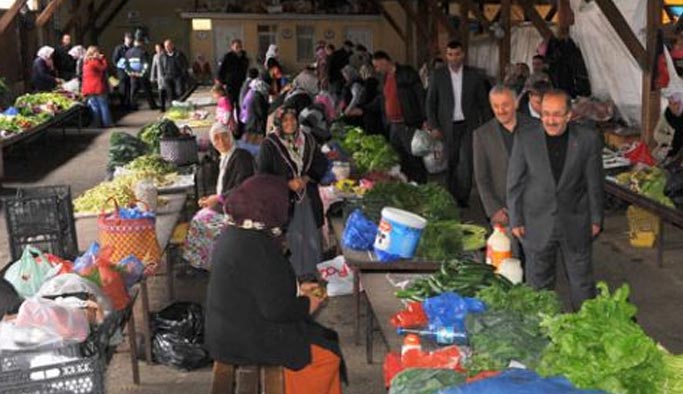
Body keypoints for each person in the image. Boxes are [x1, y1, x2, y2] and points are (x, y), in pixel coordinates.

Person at [205, 174, 342, 394]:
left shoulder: (237, 230)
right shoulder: (256, 245)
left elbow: (259, 284)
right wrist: (309, 303)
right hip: (244, 339)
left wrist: (297, 288)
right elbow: (277, 309)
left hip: (228, 330)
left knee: (322, 339)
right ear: (270, 205)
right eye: (283, 202)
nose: (286, 208)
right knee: (325, 356)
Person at [507, 89, 604, 310]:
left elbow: (594, 183)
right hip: (536, 221)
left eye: (557, 114)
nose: (550, 120)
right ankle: (541, 329)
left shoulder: (588, 140)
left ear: (569, 115)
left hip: (576, 220)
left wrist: (596, 219)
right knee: (538, 283)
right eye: (546, 114)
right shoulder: (525, 138)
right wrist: (516, 219)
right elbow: (515, 182)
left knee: (582, 283)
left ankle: (585, 327)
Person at [258, 106, 328, 277]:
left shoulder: (308, 140)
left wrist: (305, 178)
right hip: (284, 201)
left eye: (293, 119)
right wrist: (287, 184)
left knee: (311, 237)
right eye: (285, 120)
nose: (290, 123)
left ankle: (311, 274)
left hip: (308, 198)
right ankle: (291, 278)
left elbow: (321, 163)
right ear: (278, 123)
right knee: (291, 240)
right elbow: (263, 176)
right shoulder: (269, 145)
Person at [426, 40, 492, 207]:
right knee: (451, 162)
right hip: (446, 127)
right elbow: (430, 103)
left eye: (457, 54)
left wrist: (486, 127)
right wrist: (434, 126)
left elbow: (483, 103)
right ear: (446, 56)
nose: (453, 58)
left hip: (468, 125)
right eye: (450, 55)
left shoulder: (474, 76)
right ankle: (450, 197)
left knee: (467, 162)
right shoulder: (438, 75)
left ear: (463, 55)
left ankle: (463, 198)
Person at [473, 85, 535, 260]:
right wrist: (493, 210)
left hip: (534, 209)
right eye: (495, 106)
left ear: (516, 103)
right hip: (502, 210)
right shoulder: (482, 135)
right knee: (507, 261)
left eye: (505, 105)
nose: (501, 110)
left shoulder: (535, 128)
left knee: (536, 262)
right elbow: (481, 177)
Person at [183, 122, 254, 271]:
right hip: (229, 205)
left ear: (230, 136)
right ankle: (209, 263)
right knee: (199, 218)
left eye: (224, 137)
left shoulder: (241, 157)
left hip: (241, 211)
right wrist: (213, 198)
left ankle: (211, 264)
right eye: (216, 139)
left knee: (200, 223)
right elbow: (227, 188)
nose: (221, 142)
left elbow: (243, 188)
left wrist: (217, 199)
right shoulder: (226, 158)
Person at [371, 50, 426, 182]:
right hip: (393, 125)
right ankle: (407, 186)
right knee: (399, 159)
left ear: (384, 62)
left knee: (414, 158)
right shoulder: (384, 79)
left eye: (377, 66)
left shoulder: (407, 73)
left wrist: (425, 119)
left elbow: (421, 96)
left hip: (408, 124)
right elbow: (382, 99)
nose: (376, 69)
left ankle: (420, 186)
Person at [81, 46, 113, 128]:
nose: (99, 53)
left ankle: (97, 123)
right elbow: (103, 68)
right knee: (103, 105)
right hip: (97, 86)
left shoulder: (86, 62)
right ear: (94, 53)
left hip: (89, 88)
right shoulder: (94, 62)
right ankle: (107, 123)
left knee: (94, 106)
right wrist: (102, 59)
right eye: (97, 52)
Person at [652, 92, 683, 166]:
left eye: (675, 103)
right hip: (670, 147)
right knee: (657, 156)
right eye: (670, 103)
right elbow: (656, 133)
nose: (672, 106)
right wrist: (671, 139)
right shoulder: (668, 115)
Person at [125, 38, 157, 110]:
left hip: (132, 75)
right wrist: (142, 73)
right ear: (140, 43)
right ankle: (152, 105)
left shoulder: (128, 52)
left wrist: (130, 72)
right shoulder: (143, 52)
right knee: (147, 91)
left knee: (133, 91)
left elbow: (126, 64)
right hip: (142, 75)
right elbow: (146, 64)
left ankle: (133, 106)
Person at [159, 39, 189, 111]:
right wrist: (163, 75)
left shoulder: (179, 54)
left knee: (180, 92)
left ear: (172, 45)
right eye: (166, 46)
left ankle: (181, 106)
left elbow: (185, 64)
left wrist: (183, 74)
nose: (167, 48)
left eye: (168, 46)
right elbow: (161, 66)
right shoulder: (162, 56)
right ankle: (172, 108)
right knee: (170, 94)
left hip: (178, 76)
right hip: (167, 77)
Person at [216, 39, 249, 104]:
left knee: (240, 102)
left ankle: (240, 114)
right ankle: (230, 114)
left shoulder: (244, 57)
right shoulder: (227, 57)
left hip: (240, 83)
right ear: (232, 47)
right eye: (236, 47)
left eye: (240, 46)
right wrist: (221, 82)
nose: (238, 48)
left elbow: (246, 68)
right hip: (230, 83)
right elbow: (221, 69)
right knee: (230, 102)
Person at [244, 78, 270, 142]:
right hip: (256, 123)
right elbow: (261, 112)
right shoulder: (258, 97)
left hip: (251, 121)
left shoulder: (253, 93)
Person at [112, 32, 134, 108]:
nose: (129, 40)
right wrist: (121, 65)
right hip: (122, 72)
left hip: (131, 71)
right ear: (125, 39)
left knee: (130, 87)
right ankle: (123, 104)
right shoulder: (119, 48)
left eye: (130, 38)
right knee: (123, 88)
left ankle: (129, 103)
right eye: (128, 38)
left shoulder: (132, 48)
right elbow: (115, 60)